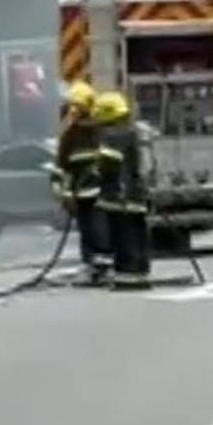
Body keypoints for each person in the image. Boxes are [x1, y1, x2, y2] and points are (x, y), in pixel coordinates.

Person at [50, 80, 113, 286]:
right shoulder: (70, 135)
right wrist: (62, 192)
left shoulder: (100, 132)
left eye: (76, 106)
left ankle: (103, 265)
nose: (72, 111)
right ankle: (92, 265)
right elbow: (61, 166)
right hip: (81, 194)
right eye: (71, 106)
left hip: (99, 192)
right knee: (87, 230)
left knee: (99, 229)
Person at [92, 91, 151, 290]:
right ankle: (140, 274)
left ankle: (127, 277)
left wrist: (94, 170)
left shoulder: (113, 135)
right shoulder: (133, 131)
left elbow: (108, 165)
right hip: (136, 195)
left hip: (119, 198)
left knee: (123, 238)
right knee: (138, 235)